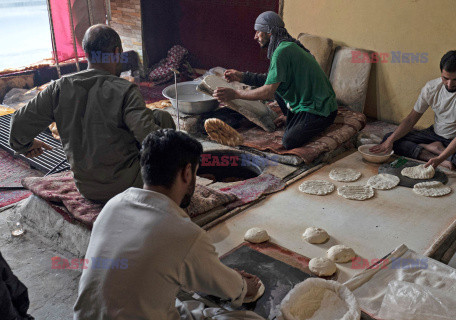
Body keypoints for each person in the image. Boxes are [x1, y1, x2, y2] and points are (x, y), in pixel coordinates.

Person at [73, 129, 264, 320]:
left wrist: (222, 277)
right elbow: (229, 288)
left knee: (176, 303)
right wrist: (245, 286)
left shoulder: (114, 204)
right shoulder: (185, 233)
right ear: (187, 172)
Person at [9, 24, 175, 202]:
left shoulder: (59, 88)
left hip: (87, 190)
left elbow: (17, 125)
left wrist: (25, 145)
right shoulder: (124, 90)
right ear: (117, 52)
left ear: (86, 53)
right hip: (130, 187)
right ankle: (169, 190)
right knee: (162, 118)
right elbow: (151, 140)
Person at [214, 11, 338, 150]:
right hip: (309, 102)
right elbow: (271, 79)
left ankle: (305, 120)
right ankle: (292, 117)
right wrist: (242, 76)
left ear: (269, 33)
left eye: (258, 32)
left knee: (289, 141)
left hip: (321, 109)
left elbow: (268, 92)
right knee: (278, 88)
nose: (255, 37)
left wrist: (235, 94)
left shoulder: (282, 51)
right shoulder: (285, 46)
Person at [371, 50, 456, 178]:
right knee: (389, 139)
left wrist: (440, 158)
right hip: (435, 134)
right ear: (441, 73)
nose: (449, 84)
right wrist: (389, 141)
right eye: (445, 78)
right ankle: (433, 153)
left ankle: (438, 151)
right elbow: (411, 119)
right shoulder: (431, 88)